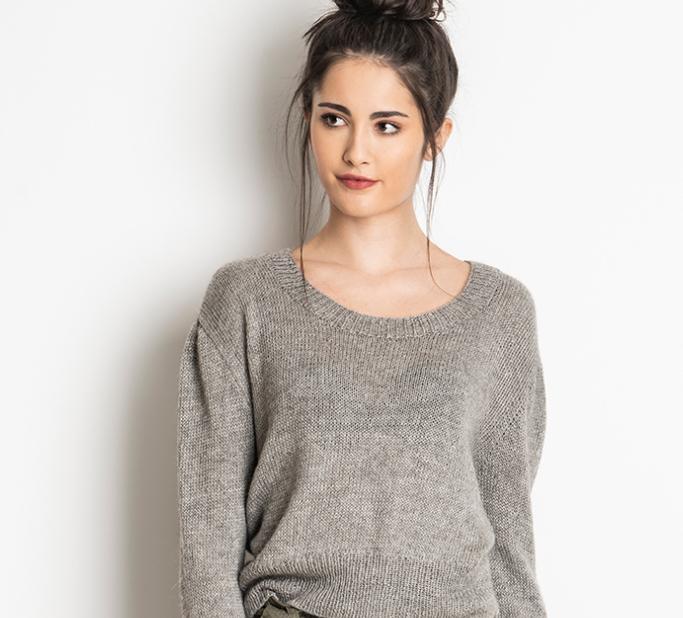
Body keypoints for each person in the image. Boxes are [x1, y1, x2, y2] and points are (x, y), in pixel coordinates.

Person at [176, 0, 548, 616]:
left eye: (387, 126)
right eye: (334, 119)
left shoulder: (498, 313)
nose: (356, 152)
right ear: (308, 119)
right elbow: (207, 549)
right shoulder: (246, 300)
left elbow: (509, 544)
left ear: (435, 138)